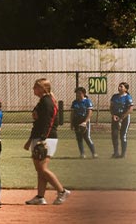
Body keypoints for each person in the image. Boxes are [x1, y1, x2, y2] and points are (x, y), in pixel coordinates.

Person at [26, 77, 71, 205]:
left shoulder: (47, 102)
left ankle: (62, 191)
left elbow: (49, 122)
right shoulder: (43, 101)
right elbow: (38, 122)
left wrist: (43, 139)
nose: (33, 89)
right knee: (40, 169)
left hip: (46, 138)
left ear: (42, 88)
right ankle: (40, 197)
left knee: (42, 169)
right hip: (41, 137)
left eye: (35, 87)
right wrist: (30, 140)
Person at [109, 81, 133, 158]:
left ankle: (123, 153)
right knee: (114, 134)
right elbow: (111, 107)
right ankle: (116, 152)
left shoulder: (127, 97)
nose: (119, 88)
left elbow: (130, 109)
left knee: (123, 135)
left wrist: (122, 118)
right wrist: (113, 115)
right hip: (115, 117)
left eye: (121, 86)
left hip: (125, 117)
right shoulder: (114, 96)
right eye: (119, 86)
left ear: (125, 89)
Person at [70, 84, 96, 157]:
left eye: (79, 93)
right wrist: (71, 123)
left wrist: (85, 122)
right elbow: (72, 113)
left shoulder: (87, 101)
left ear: (83, 93)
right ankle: (82, 154)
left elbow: (90, 112)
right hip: (77, 121)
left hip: (84, 121)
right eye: (77, 93)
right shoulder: (74, 102)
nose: (78, 94)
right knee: (79, 138)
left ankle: (94, 153)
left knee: (87, 137)